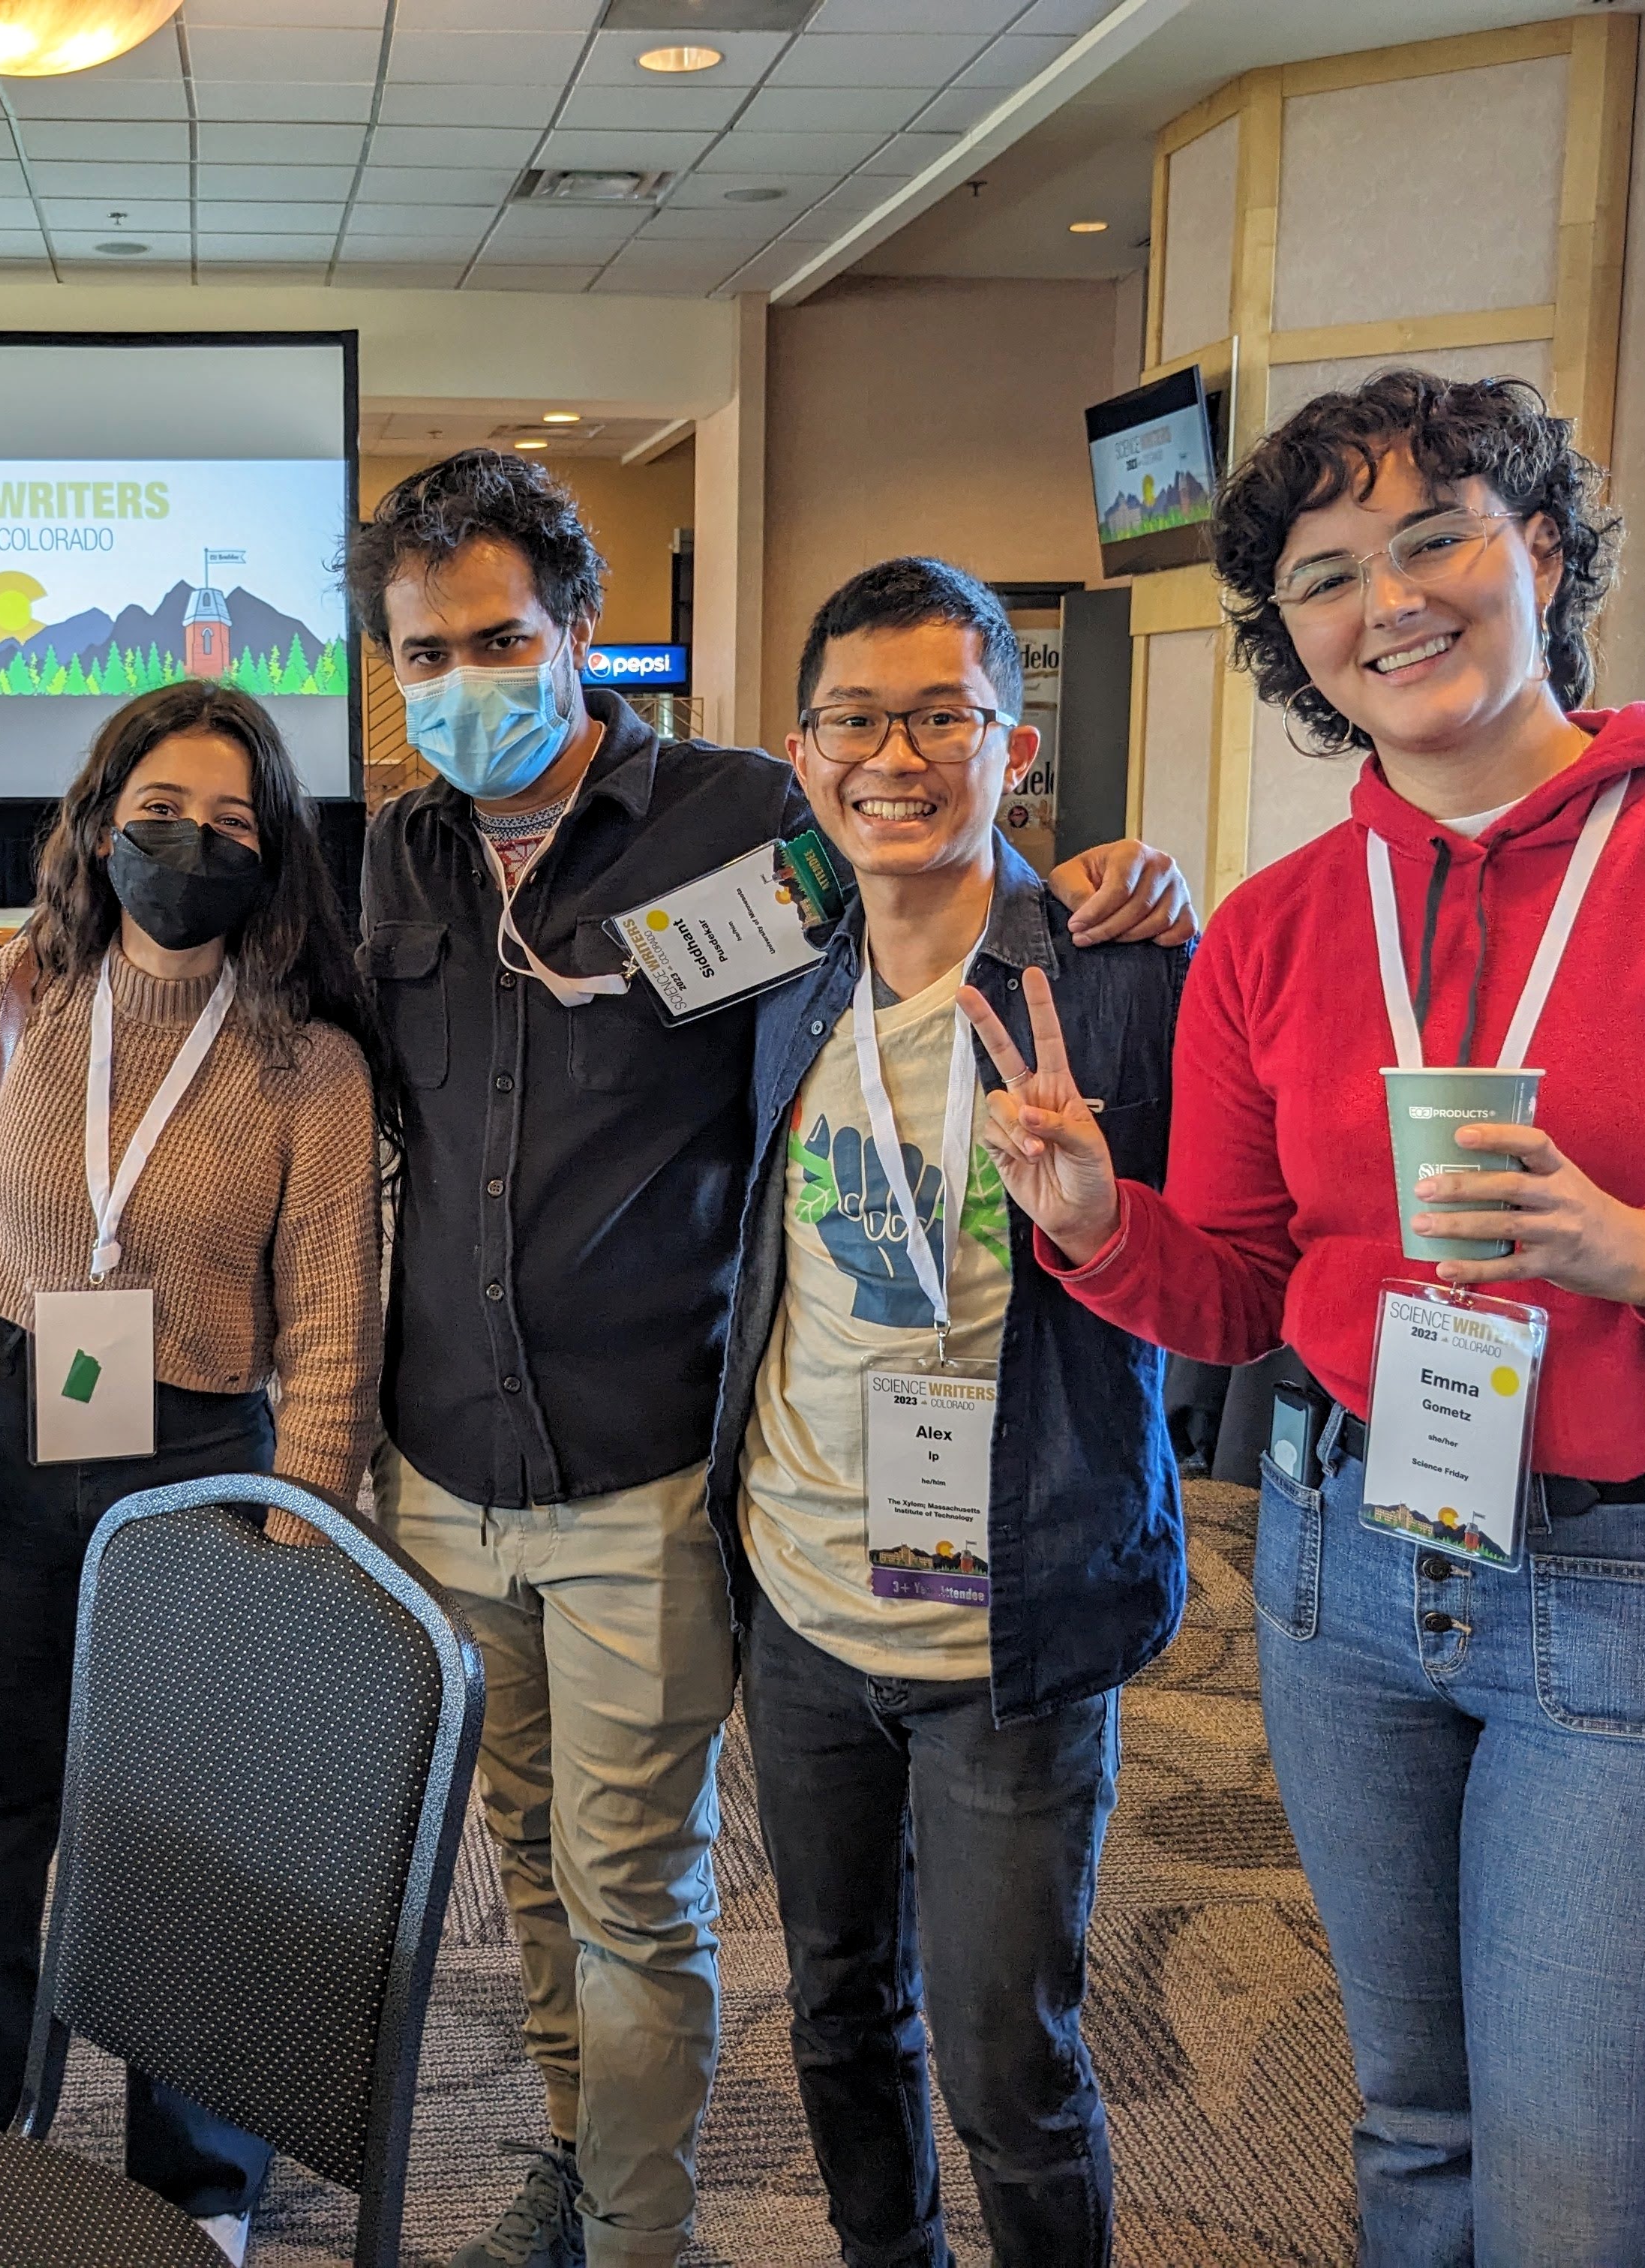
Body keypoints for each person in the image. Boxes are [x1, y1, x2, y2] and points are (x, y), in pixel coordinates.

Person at [978, 369, 1645, 2263]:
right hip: (1346, 1577)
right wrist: (1094, 1224)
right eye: (1325, 575)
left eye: (1432, 537)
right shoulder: (1291, 925)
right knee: (1413, 2140)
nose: (1387, 601)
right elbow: (1236, 1292)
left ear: (1540, 551)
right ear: (1292, 637)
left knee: (1584, 2207)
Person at [350, 447, 1196, 2268]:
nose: (464, 684)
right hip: (576, 1506)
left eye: (500, 639)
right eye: (426, 656)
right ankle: (585, 2176)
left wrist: (1130, 884)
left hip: (708, 1491)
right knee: (627, 1913)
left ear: (579, 632)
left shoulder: (747, 826)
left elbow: (964, 876)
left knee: (878, 1995)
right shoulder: (399, 859)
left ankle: (638, 2229)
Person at [0, 680, 392, 2267]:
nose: (187, 846)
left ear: (273, 852)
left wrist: (299, 1551)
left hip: (199, 1456)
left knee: (194, 1832)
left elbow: (337, 1347)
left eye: (229, 824)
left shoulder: (313, 1068)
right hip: (22, 1435)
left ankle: (200, 2180)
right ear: (99, 822)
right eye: (158, 813)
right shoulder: (24, 991)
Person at [707, 558, 1185, 2268]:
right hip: (805, 1607)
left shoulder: (1118, 975)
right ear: (802, 745)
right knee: (836, 2011)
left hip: (1014, 1626)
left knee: (1010, 2067)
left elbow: (1222, 1280)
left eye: (941, 717)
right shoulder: (781, 968)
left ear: (1017, 744)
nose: (893, 757)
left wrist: (1099, 1217)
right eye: (853, 719)